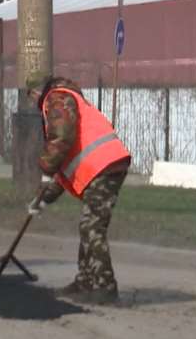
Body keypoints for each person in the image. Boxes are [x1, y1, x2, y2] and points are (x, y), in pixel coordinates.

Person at [24, 70, 131, 305]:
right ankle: (85, 282)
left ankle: (104, 287)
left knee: (92, 226)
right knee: (88, 226)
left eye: (30, 96)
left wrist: (46, 167)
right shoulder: (66, 100)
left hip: (104, 165)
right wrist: (43, 199)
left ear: (35, 93)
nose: (32, 103)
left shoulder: (57, 99)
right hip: (103, 164)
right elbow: (64, 167)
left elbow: (61, 139)